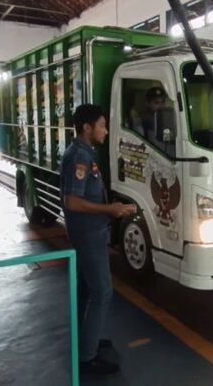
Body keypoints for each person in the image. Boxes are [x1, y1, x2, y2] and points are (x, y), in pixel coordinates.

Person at [61, 104, 136, 375]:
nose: (105, 130)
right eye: (102, 125)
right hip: (88, 233)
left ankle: (85, 340)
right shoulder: (79, 157)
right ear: (87, 128)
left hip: (90, 231)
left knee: (86, 289)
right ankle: (88, 355)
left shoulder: (86, 153)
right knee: (102, 292)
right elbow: (72, 201)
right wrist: (110, 210)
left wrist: (111, 207)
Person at [132, 86, 176, 150]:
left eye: (163, 102)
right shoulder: (144, 119)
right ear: (148, 103)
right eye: (156, 102)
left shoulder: (169, 115)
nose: (161, 106)